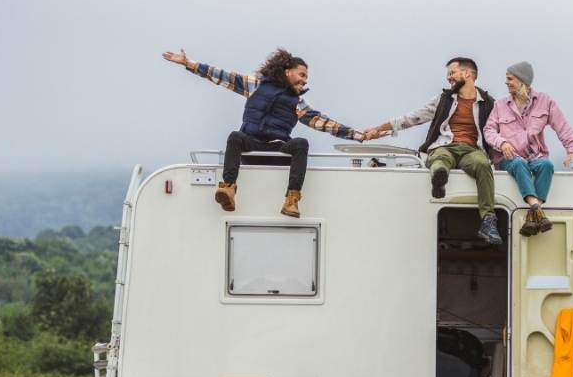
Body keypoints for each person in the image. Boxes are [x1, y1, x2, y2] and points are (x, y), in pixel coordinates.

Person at [162, 47, 357, 218]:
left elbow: (324, 123)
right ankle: (228, 189)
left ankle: (291, 200)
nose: (305, 81)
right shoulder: (256, 85)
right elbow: (223, 76)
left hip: (278, 150)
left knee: (301, 143)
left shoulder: (298, 103)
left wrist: (359, 136)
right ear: (288, 72)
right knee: (235, 137)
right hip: (252, 147)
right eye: (302, 75)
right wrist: (189, 63)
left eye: (306, 77)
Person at [359, 58, 502, 245]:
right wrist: (378, 130)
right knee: (440, 159)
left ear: (467, 73)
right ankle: (439, 179)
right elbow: (412, 118)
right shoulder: (443, 100)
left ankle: (488, 221)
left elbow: (503, 128)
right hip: (444, 146)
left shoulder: (489, 103)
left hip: (472, 150)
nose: (448, 78)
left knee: (483, 164)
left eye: (452, 73)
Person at [482, 62, 573, 236]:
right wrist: (502, 143)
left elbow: (561, 125)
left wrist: (571, 149)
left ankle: (533, 215)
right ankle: (537, 209)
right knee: (519, 163)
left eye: (510, 79)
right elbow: (488, 131)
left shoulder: (545, 101)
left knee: (546, 165)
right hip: (508, 157)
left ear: (522, 81)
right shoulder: (500, 105)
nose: (506, 82)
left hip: (534, 156)